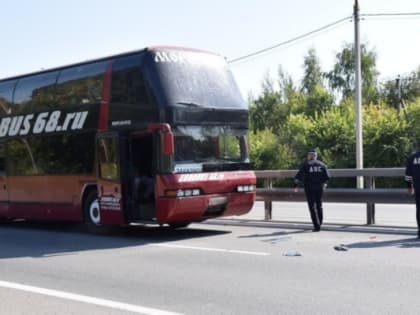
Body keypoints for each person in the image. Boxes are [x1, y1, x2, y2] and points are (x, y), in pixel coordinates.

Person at [294, 149, 331, 232]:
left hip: (309, 188)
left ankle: (316, 226)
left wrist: (296, 186)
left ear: (309, 156)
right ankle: (320, 223)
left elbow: (298, 177)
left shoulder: (306, 165)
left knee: (312, 207)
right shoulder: (322, 165)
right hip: (319, 188)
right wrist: (324, 184)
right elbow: (327, 177)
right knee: (319, 205)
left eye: (309, 155)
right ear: (316, 156)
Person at [404, 149, 420, 238]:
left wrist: (409, 187)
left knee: (419, 210)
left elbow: (408, 174)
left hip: (418, 189)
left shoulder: (413, 156)